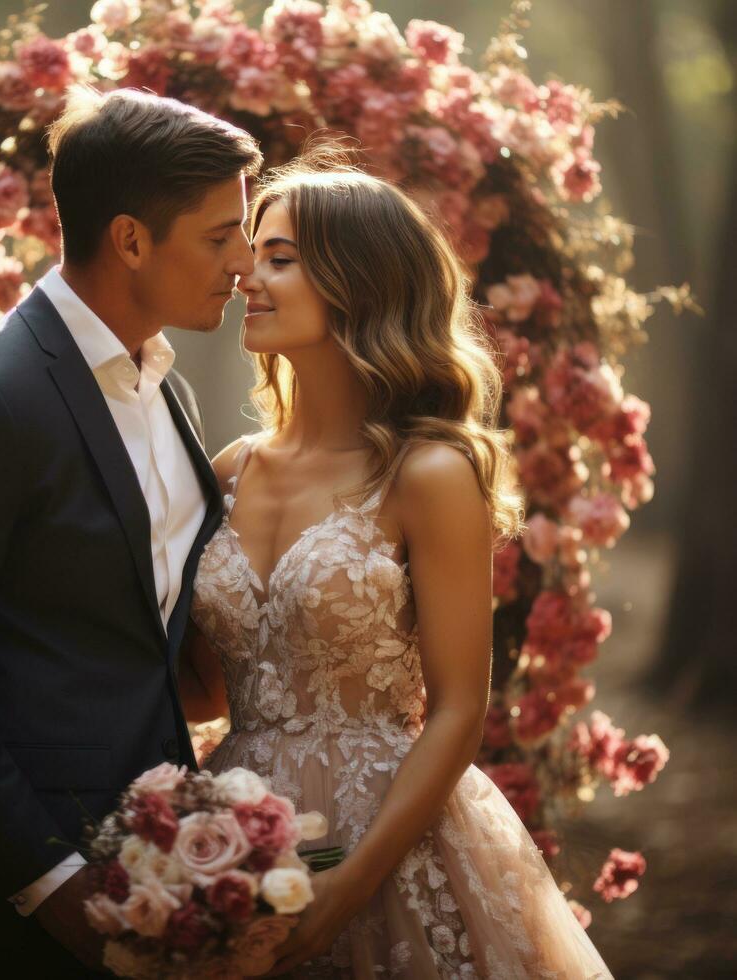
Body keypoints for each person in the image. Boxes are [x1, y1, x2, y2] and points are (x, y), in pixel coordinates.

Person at [180, 147, 613, 979]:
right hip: (236, 837)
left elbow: (458, 710)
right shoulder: (229, 469)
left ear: (360, 280)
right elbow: (201, 682)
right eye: (249, 253)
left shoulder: (429, 473)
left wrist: (346, 887)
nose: (246, 276)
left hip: (391, 840)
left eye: (280, 258)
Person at [0, 85, 261, 978]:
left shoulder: (168, 388)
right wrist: (51, 881)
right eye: (218, 235)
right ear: (129, 239)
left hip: (169, 870)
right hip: (36, 898)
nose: (243, 261)